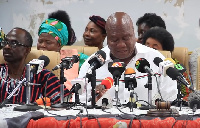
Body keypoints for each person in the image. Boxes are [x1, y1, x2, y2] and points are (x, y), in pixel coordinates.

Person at [78, 12, 177, 105]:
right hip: (104, 122)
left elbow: (171, 101)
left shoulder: (155, 59)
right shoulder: (92, 64)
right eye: (114, 39)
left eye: (126, 38)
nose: (121, 45)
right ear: (107, 39)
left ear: (134, 35)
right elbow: (79, 105)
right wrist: (94, 101)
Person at [0, 27, 69, 104]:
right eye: (5, 42)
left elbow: (64, 102)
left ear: (27, 50)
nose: (6, 47)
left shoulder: (42, 75)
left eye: (14, 43)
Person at [142, 26, 192, 101]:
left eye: (154, 48)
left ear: (166, 51)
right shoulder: (140, 64)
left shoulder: (176, 66)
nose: (149, 50)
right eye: (147, 45)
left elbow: (188, 94)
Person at [37, 10, 79, 90]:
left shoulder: (75, 59)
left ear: (59, 44)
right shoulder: (31, 60)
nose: (43, 45)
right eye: (40, 41)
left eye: (48, 42)